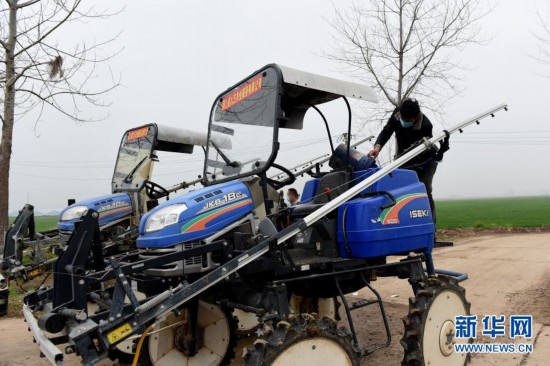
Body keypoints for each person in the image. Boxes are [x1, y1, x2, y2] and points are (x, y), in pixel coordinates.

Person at [368, 98, 438, 223]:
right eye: (402, 119)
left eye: (407, 121)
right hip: (403, 158)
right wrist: (377, 147)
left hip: (425, 161)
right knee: (401, 190)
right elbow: (387, 130)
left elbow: (420, 152)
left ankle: (430, 227)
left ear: (416, 117)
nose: (403, 122)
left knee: (424, 190)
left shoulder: (426, 125)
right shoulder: (398, 114)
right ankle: (404, 221)